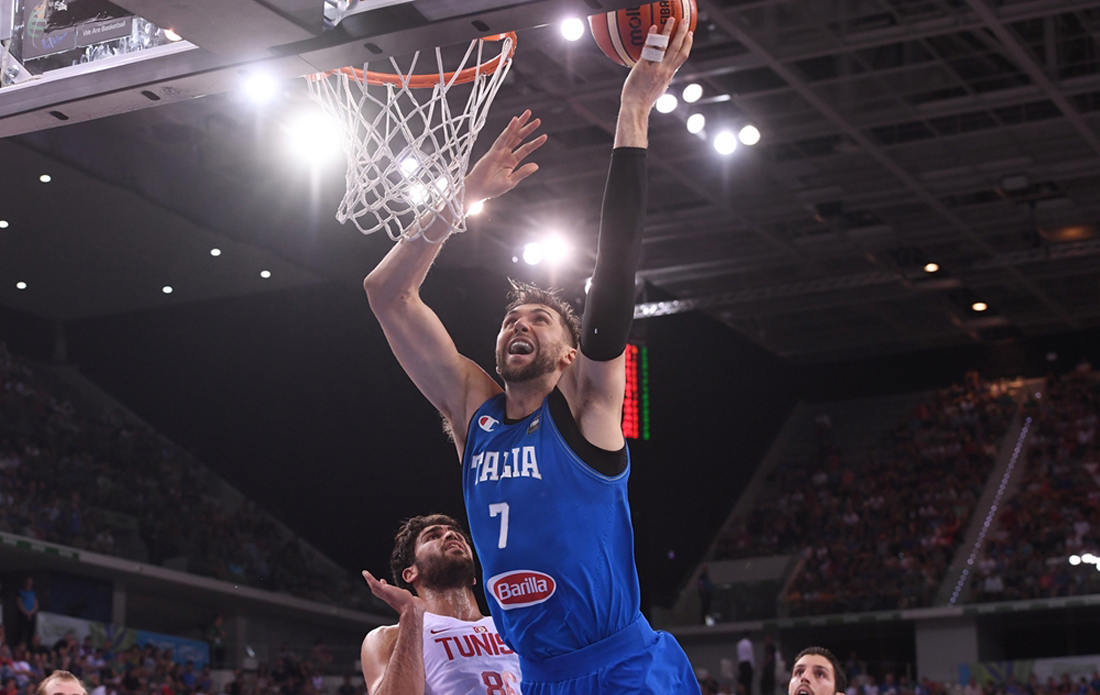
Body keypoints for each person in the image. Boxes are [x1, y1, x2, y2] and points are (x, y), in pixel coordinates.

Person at [363, 14, 696, 695]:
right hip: (537, 678)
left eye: (541, 320)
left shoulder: (590, 408)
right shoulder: (475, 414)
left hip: (625, 669)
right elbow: (386, 293)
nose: (520, 324)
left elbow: (614, 272)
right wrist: (462, 196)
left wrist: (634, 111)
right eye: (512, 318)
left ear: (571, 356)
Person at [359, 514, 521, 695]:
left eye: (455, 533)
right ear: (410, 573)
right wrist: (411, 614)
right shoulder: (389, 637)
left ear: (473, 577)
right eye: (433, 536)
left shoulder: (511, 629)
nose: (451, 535)